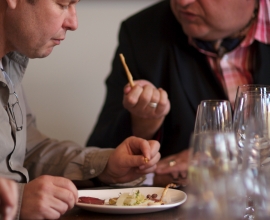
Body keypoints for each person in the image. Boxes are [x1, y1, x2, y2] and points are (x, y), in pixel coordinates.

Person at [0, 0, 161, 219]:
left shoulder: (9, 64)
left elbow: (28, 152)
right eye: (62, 4)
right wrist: (17, 202)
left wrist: (106, 166)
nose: (74, 23)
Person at [87, 0, 270, 184]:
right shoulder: (143, 32)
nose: (182, 2)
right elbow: (101, 162)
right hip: (190, 206)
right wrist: (144, 124)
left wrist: (227, 159)